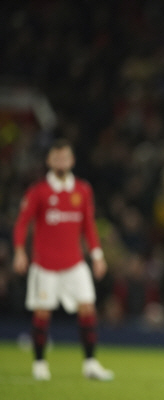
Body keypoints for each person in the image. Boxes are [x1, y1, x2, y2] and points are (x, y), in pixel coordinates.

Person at [13, 139, 114, 382]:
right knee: (42, 313)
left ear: (72, 160)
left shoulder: (82, 190)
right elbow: (22, 222)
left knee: (88, 308)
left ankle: (90, 363)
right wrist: (19, 251)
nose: (61, 162)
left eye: (65, 157)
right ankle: (39, 364)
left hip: (75, 263)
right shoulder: (39, 191)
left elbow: (88, 225)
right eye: (56, 158)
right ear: (49, 161)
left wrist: (97, 256)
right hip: (45, 264)